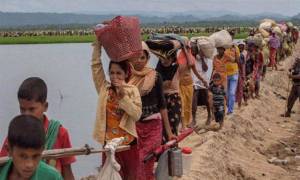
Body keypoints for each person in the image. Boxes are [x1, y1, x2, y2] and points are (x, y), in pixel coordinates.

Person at [0, 77, 75, 180]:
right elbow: (4, 162)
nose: (27, 114)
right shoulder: (15, 134)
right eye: (22, 109)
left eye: (32, 109)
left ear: (45, 106)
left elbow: (67, 171)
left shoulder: (59, 133)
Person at [91, 40, 142, 180]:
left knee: (130, 177)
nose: (114, 77)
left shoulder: (132, 90)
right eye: (112, 73)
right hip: (109, 144)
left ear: (126, 74)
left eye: (119, 73)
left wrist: (123, 97)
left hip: (127, 144)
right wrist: (98, 44)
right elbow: (96, 67)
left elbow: (137, 115)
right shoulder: (104, 88)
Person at [128, 42, 174, 180]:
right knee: (138, 162)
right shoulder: (127, 78)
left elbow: (162, 105)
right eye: (135, 57)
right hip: (135, 127)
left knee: (145, 158)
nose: (139, 61)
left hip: (154, 126)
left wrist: (169, 132)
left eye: (142, 57)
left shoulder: (154, 77)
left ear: (147, 59)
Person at [0, 115, 63, 180]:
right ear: (9, 150)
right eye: (22, 156)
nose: (29, 165)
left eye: (35, 156)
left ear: (42, 150)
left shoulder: (52, 177)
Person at [191, 44, 213, 126]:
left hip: (203, 80)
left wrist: (202, 58)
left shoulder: (203, 57)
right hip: (194, 80)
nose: (192, 51)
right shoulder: (191, 58)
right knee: (194, 99)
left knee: (207, 99)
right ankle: (193, 119)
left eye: (194, 49)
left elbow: (206, 68)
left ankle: (209, 115)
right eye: (191, 49)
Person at [236, 41, 247, 107]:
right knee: (239, 88)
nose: (241, 48)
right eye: (240, 47)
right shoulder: (240, 55)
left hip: (240, 74)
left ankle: (239, 102)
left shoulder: (241, 55)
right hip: (238, 73)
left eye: (242, 47)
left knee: (240, 88)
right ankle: (239, 101)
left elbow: (242, 66)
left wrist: (243, 75)